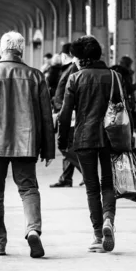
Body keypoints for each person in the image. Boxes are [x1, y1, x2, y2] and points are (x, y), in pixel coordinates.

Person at [0, 31, 55, 258]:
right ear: (21, 50)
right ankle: (33, 229)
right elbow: (46, 116)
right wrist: (48, 148)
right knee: (28, 189)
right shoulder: (36, 76)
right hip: (26, 144)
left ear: (1, 48)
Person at [58, 36, 123, 253]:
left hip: (84, 137)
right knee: (108, 183)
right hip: (111, 137)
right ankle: (108, 220)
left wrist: (61, 139)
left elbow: (65, 114)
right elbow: (123, 109)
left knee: (92, 187)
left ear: (81, 59)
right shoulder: (114, 76)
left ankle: (97, 234)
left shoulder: (75, 79)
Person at [50, 43, 83, 188]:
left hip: (69, 114)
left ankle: (88, 174)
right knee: (69, 145)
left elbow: (69, 91)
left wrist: (61, 109)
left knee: (65, 146)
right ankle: (66, 178)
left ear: (64, 55)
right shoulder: (70, 68)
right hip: (67, 112)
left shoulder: (72, 68)